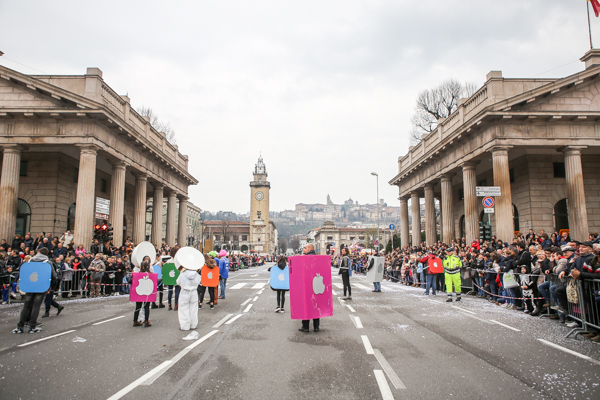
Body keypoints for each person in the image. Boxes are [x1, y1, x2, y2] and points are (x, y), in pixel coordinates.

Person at [12, 248, 54, 333]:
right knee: (36, 306)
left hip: (30, 285)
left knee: (26, 305)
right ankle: (32, 326)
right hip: (41, 286)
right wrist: (50, 286)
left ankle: (20, 326)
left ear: (38, 252)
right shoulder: (48, 263)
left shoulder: (29, 261)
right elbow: (54, 276)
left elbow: (24, 273)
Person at [299, 243, 320, 333]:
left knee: (306, 305)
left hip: (306, 285)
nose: (304, 249)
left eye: (305, 248)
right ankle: (316, 326)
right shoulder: (318, 258)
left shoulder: (305, 258)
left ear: (308, 249)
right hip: (316, 284)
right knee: (315, 305)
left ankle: (306, 326)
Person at [176, 263, 202, 331]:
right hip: (193, 292)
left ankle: (185, 325)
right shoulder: (196, 274)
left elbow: (178, 282)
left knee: (183, 308)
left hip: (184, 291)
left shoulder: (182, 274)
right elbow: (199, 281)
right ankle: (193, 324)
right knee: (193, 308)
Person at [133, 259, 153, 327]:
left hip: (139, 292)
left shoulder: (137, 274)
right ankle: (146, 321)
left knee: (138, 307)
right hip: (147, 292)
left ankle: (135, 320)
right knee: (146, 306)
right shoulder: (150, 275)